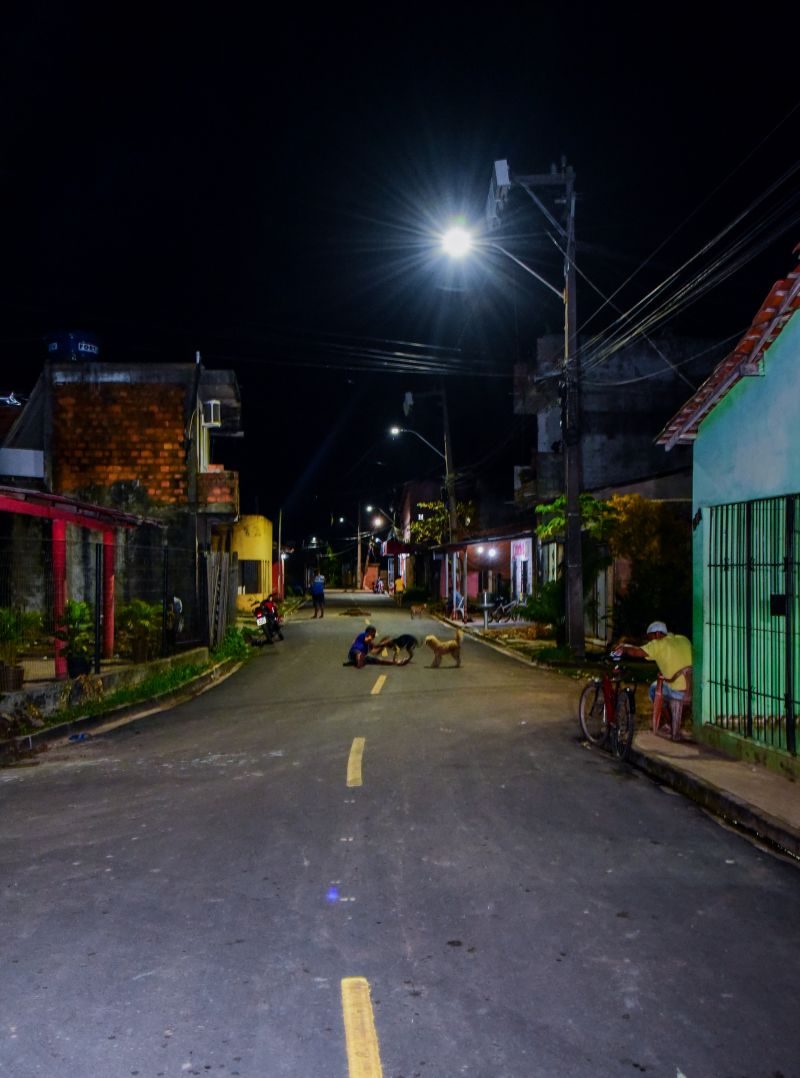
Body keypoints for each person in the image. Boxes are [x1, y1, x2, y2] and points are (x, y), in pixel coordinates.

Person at [614, 619, 692, 713]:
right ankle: (676, 717)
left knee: (653, 689)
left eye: (650, 638)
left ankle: (669, 720)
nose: (650, 641)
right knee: (663, 683)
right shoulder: (683, 639)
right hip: (693, 689)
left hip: (678, 693)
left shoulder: (658, 644)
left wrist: (624, 647)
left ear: (658, 634)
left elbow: (636, 651)